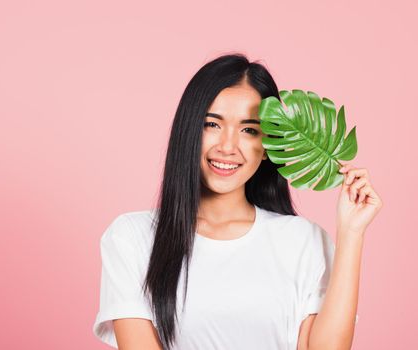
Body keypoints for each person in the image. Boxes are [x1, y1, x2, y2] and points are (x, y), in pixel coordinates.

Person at [92, 53, 383, 350]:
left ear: (269, 146)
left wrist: (351, 233)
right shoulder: (132, 237)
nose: (228, 146)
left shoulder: (304, 241)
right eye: (212, 124)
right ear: (188, 130)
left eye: (249, 130)